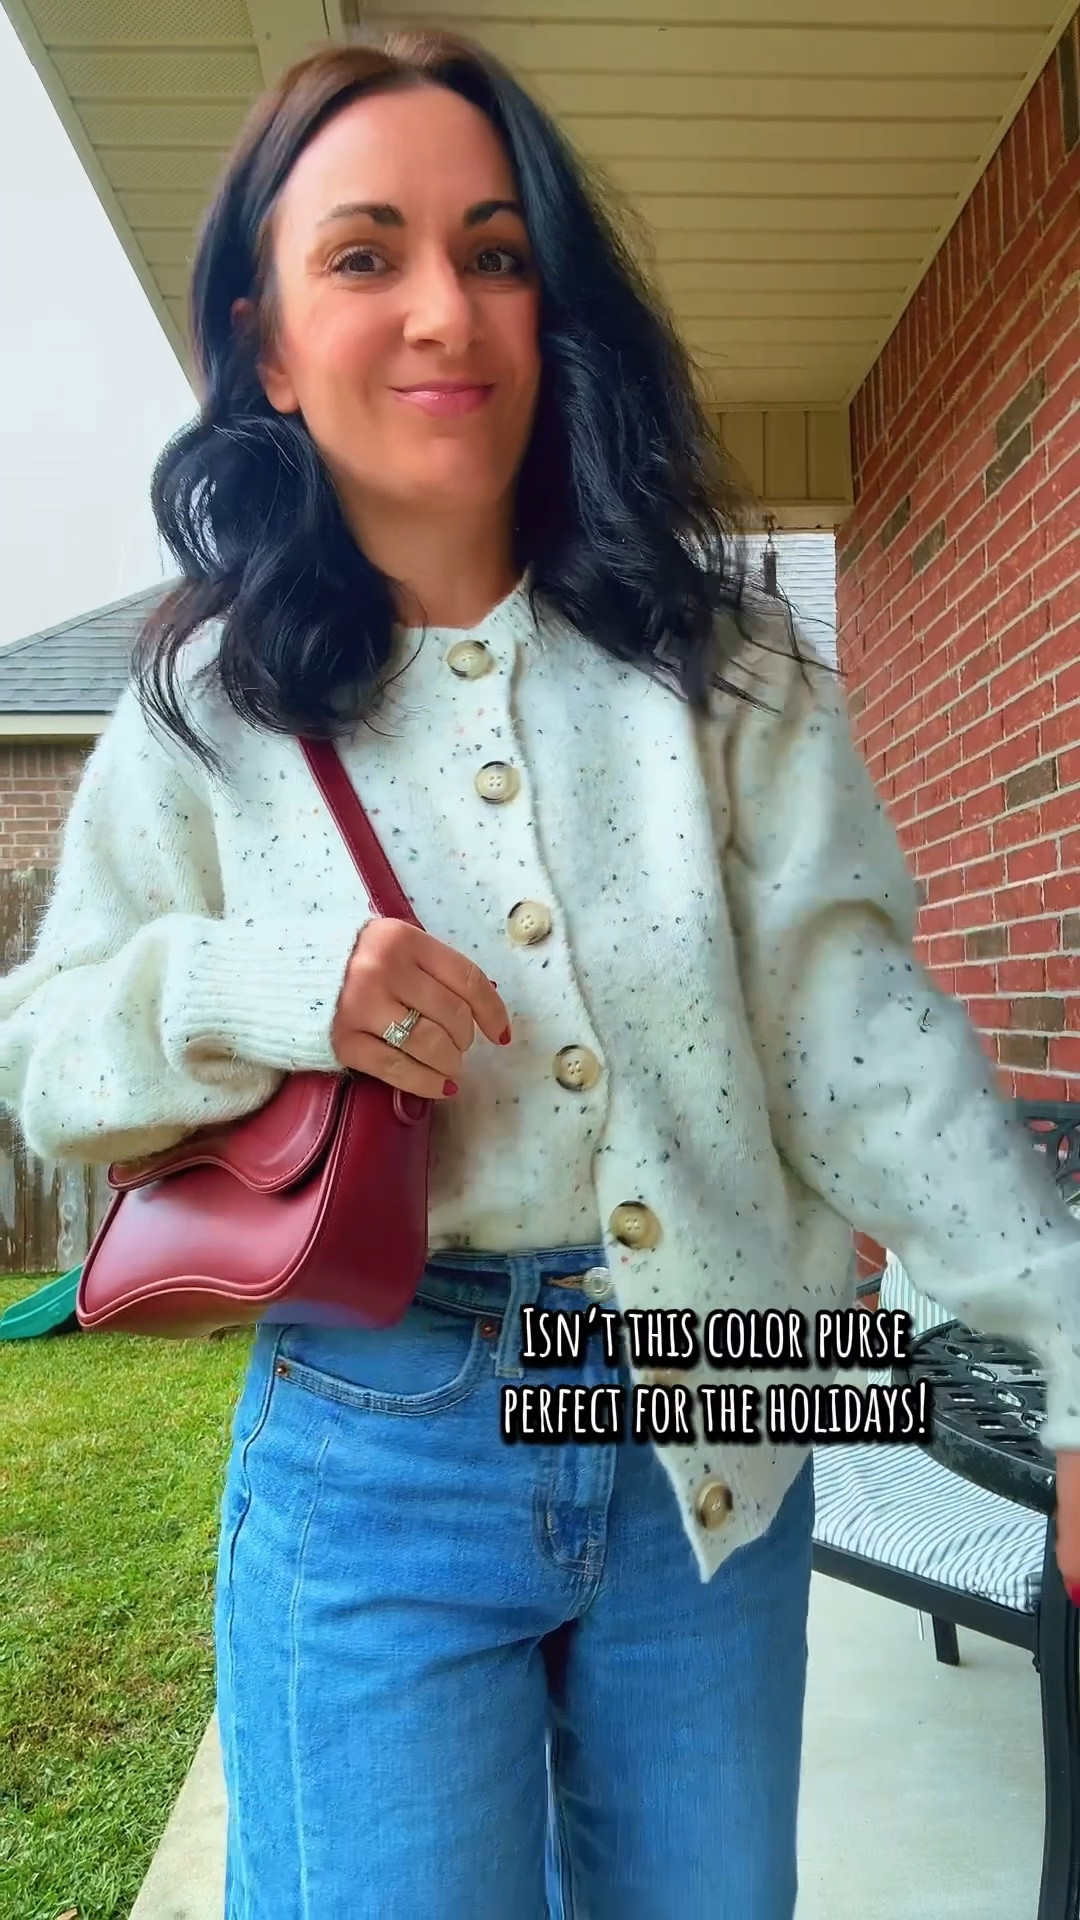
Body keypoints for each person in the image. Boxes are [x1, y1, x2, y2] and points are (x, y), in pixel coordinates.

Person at [2, 28, 1079, 1920]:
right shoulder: (202, 704)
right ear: (262, 339)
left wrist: (1072, 1342)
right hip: (378, 1429)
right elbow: (48, 1057)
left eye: (496, 252)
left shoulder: (725, 666)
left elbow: (861, 1042)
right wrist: (259, 987)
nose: (446, 310)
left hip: (724, 1392)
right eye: (367, 255)